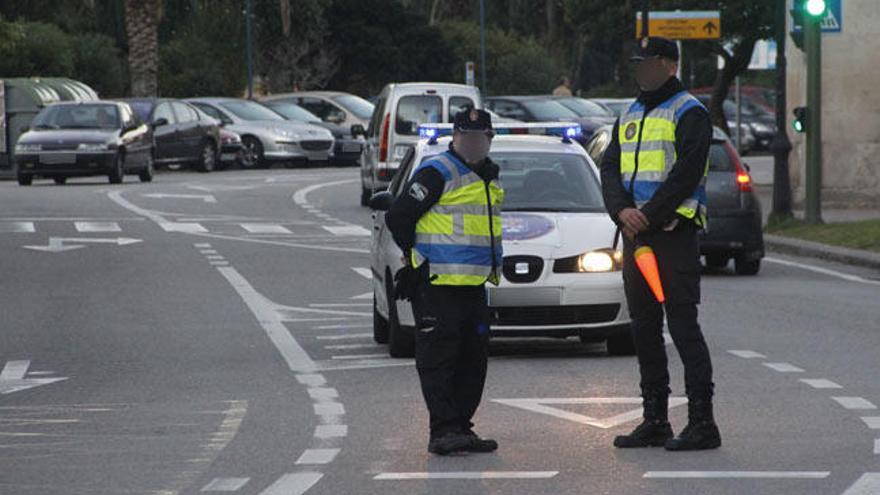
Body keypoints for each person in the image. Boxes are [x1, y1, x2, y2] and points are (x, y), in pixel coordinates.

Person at [599, 37, 721, 451]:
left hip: (672, 236)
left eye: (649, 63)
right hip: (637, 238)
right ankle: (655, 418)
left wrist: (646, 215)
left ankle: (703, 422)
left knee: (683, 327)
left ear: (670, 65)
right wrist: (621, 211)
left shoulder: (690, 112)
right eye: (638, 63)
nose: (642, 70)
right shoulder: (630, 112)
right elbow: (610, 167)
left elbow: (686, 174)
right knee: (644, 329)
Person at [385, 109, 503, 456]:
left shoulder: (488, 176)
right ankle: (443, 430)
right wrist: (414, 259)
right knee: (439, 359)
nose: (473, 143)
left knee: (473, 360)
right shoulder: (437, 172)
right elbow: (398, 216)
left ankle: (462, 427)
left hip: (473, 286)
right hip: (438, 285)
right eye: (466, 137)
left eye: (480, 137)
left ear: (490, 139)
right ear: (456, 137)